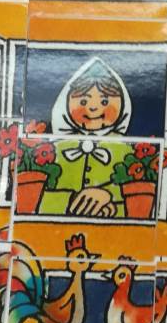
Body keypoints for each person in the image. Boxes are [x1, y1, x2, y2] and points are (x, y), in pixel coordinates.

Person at [39, 58, 133, 218]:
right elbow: (36, 199)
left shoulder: (126, 151)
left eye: (105, 101)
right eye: (83, 100)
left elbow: (138, 200)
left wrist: (109, 201)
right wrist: (70, 200)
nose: (94, 107)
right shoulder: (54, 150)